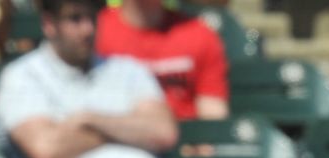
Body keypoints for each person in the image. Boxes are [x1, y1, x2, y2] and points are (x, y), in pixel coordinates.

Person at [0, 0, 177, 158]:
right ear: (49, 24)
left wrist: (89, 120)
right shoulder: (22, 75)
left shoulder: (129, 70)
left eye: (92, 18)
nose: (87, 29)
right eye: (75, 19)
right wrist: (128, 133)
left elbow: (164, 133)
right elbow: (46, 150)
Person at [95, 0, 230, 120]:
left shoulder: (201, 36)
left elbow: (213, 114)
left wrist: (203, 144)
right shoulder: (94, 32)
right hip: (116, 140)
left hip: (184, 141)